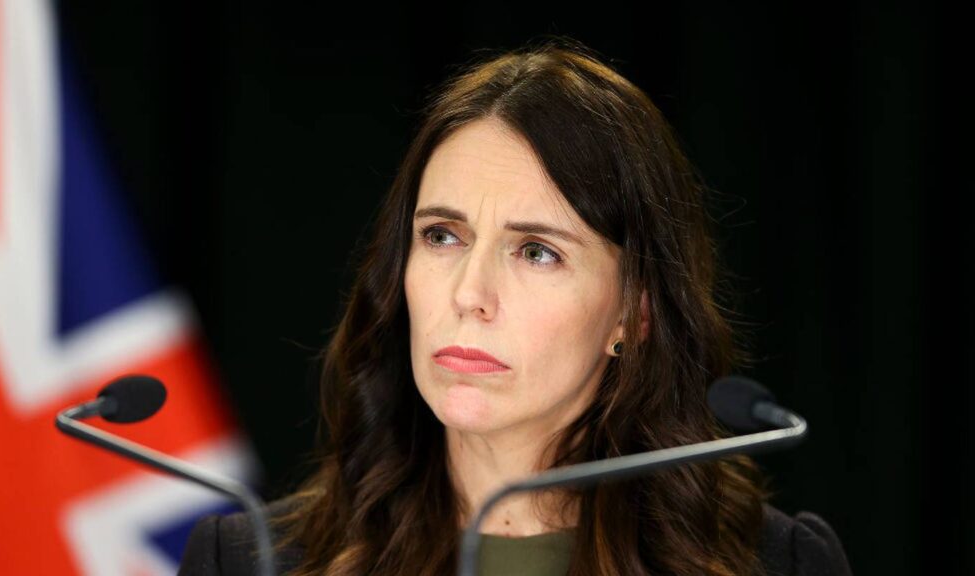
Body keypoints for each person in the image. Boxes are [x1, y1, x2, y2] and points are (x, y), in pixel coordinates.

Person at [179, 40, 852, 576]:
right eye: (443, 236)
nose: (468, 295)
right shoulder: (253, 562)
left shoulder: (774, 563)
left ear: (634, 317)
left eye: (537, 252)